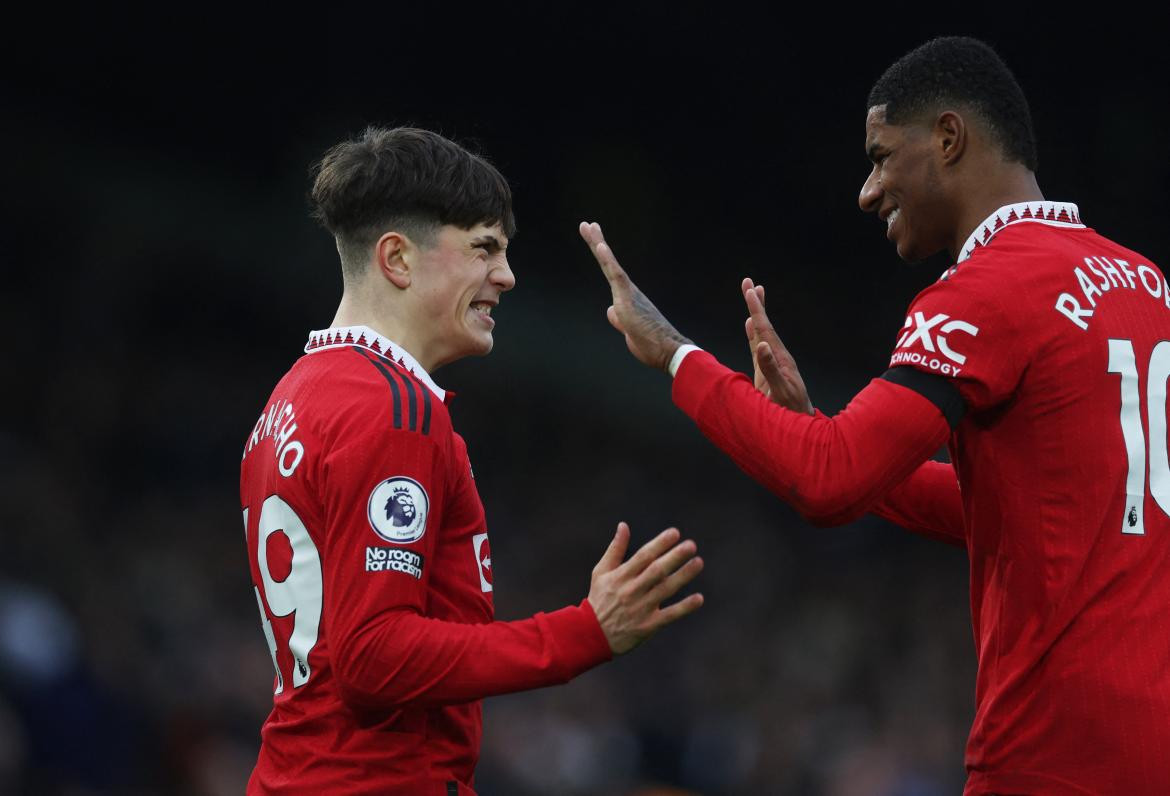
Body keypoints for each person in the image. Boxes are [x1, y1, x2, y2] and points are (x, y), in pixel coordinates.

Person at [581, 36, 1170, 795]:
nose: (867, 190)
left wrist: (675, 355)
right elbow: (1025, 508)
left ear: (948, 139)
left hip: (1049, 751)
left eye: (881, 155)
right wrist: (815, 421)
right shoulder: (1145, 284)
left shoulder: (988, 290)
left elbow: (828, 480)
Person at [239, 126, 704, 795]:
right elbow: (374, 657)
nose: (507, 276)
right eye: (484, 249)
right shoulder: (394, 409)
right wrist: (584, 632)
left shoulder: (293, 397)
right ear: (397, 259)